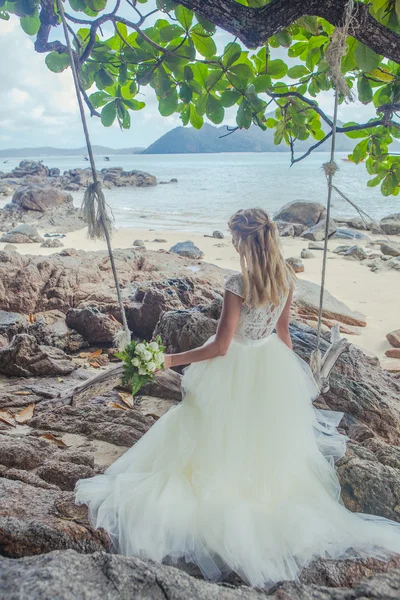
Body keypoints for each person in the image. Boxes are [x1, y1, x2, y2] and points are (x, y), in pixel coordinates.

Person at [75, 208, 400, 588]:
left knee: (206, 430)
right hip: (270, 364)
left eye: (233, 237)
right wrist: (293, 379)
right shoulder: (285, 279)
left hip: (235, 366)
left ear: (246, 241)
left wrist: (171, 359)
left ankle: (221, 506)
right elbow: (284, 337)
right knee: (261, 439)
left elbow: (221, 346)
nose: (231, 242)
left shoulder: (237, 283)